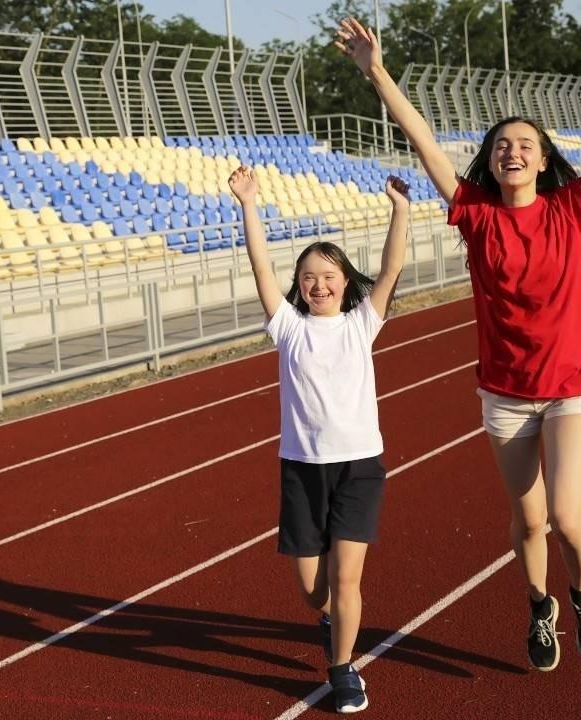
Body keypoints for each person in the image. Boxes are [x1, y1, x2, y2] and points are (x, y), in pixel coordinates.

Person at [336, 5, 581, 672]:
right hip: (505, 394)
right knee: (528, 521)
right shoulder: (475, 215)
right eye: (502, 144)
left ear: (542, 158)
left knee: (566, 515)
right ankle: (539, 606)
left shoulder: (572, 207)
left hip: (570, 388)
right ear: (491, 160)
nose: (513, 151)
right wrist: (377, 73)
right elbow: (424, 142)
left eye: (525, 143)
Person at [227, 165, 410, 713]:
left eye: (328, 275)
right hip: (302, 469)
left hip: (358, 468)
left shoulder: (361, 324)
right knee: (313, 590)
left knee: (347, 578)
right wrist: (248, 204)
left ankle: (343, 669)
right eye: (308, 277)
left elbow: (391, 268)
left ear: (346, 282)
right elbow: (261, 267)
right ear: (299, 286)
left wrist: (400, 210)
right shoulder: (288, 327)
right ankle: (331, 621)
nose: (318, 285)